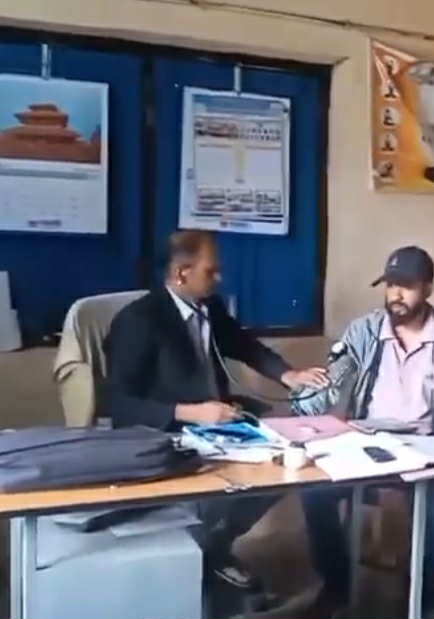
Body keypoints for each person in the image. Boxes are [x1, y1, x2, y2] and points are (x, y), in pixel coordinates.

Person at [103, 230, 327, 599]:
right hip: (168, 429)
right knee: (217, 489)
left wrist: (289, 375)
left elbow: (244, 344)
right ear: (182, 273)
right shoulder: (139, 320)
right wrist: (191, 412)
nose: (219, 278)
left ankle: (213, 547)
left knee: (290, 464)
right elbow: (118, 402)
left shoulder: (209, 307)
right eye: (211, 271)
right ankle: (194, 564)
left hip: (218, 420)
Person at [293, 246, 434, 618]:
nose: (396, 294)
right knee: (315, 494)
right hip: (367, 444)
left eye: (406, 286)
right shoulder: (363, 330)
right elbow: (335, 379)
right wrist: (307, 399)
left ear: (428, 289)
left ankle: (424, 606)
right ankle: (337, 587)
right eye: (391, 285)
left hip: (426, 448)